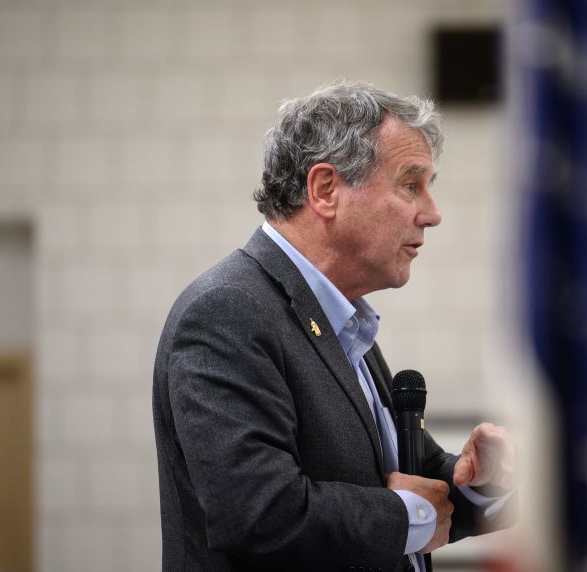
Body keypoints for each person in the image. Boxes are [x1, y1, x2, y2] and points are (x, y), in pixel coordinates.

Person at [153, 80, 516, 572]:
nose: (432, 214)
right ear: (325, 190)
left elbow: (408, 473)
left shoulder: (342, 317)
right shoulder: (227, 311)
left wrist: (477, 479)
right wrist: (407, 515)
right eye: (411, 184)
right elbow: (259, 514)